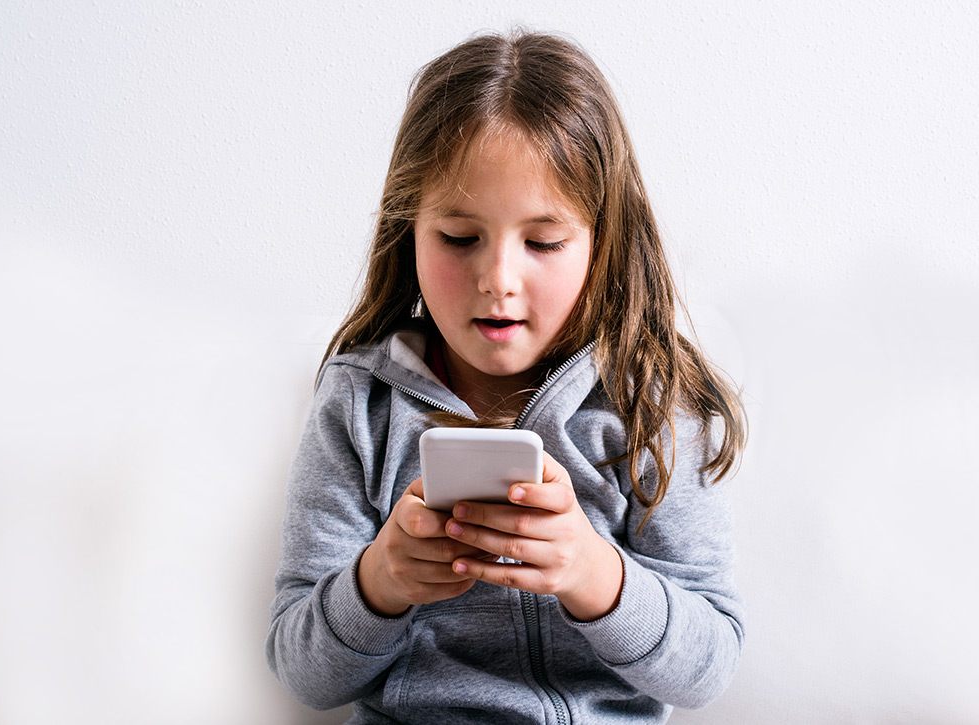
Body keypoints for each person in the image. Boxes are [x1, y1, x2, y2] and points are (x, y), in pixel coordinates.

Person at [266, 30, 747, 724]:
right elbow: (304, 671)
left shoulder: (651, 400)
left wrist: (594, 575)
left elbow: (710, 662)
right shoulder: (359, 406)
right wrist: (380, 582)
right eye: (460, 237)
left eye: (544, 242)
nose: (497, 279)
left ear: (600, 243)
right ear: (409, 230)